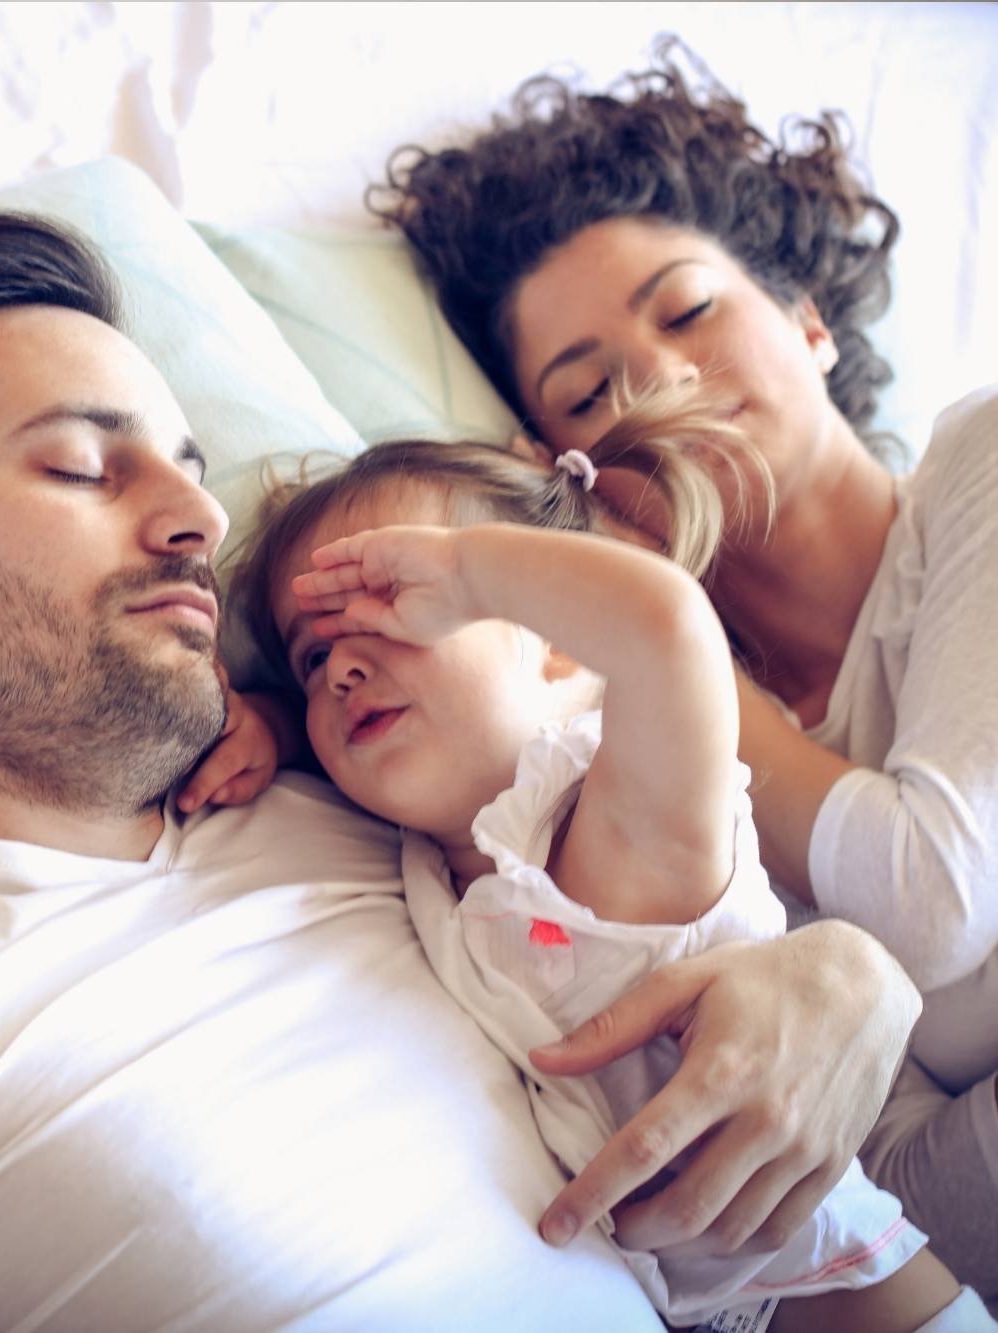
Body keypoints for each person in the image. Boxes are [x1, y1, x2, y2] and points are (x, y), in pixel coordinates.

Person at [0, 213, 921, 1331]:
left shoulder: (387, 809)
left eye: (186, 465)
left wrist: (845, 975)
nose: (196, 515)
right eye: (81, 468)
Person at [369, 40, 998, 1294]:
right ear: (564, 467)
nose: (653, 379)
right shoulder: (622, 767)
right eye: (585, 390)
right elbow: (882, 1213)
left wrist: (665, 633)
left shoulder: (978, 462)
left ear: (809, 323)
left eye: (688, 309)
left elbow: (934, 896)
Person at [223, 389, 981, 1330]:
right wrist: (273, 727)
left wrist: (470, 568)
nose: (341, 665)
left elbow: (669, 630)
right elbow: (351, 720)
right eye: (311, 655)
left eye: (391, 603)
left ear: (557, 642)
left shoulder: (611, 810)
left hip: (843, 1305)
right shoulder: (423, 851)